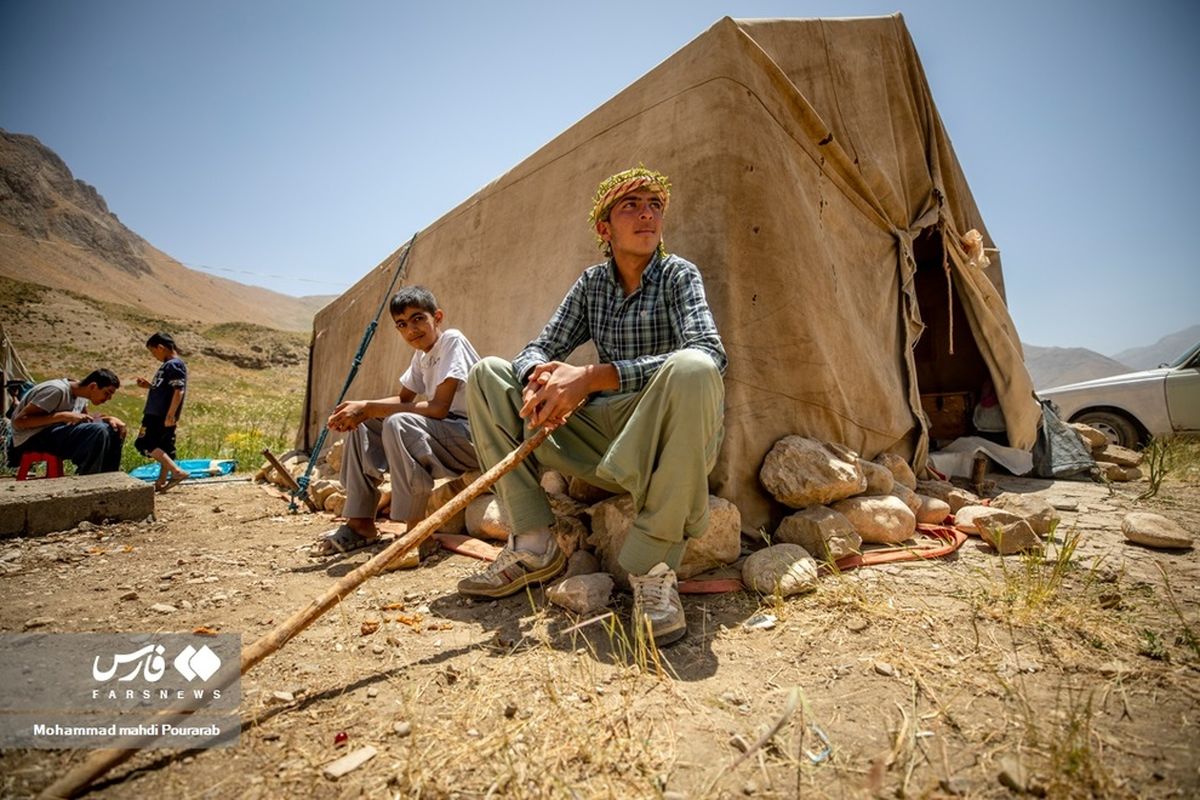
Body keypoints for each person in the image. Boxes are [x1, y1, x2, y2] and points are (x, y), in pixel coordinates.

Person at [458, 166, 727, 647]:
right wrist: (538, 382)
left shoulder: (678, 276)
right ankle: (534, 545)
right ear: (604, 229)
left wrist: (590, 378)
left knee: (694, 368)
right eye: (632, 206)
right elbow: (537, 348)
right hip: (599, 435)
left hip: (658, 437)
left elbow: (710, 352)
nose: (648, 214)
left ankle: (653, 570)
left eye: (655, 206)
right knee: (488, 374)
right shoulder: (592, 285)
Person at [312, 285, 481, 560]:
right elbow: (404, 398)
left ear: (437, 317)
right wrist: (361, 410)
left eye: (418, 319)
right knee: (366, 424)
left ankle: (416, 533)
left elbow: (438, 408)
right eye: (402, 324)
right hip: (446, 434)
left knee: (398, 422)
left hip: (472, 437)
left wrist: (368, 407)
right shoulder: (421, 356)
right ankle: (360, 523)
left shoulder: (451, 340)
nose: (411, 329)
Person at [7, 369, 127, 474]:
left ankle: (108, 479)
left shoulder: (82, 396)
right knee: (98, 431)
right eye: (107, 393)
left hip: (55, 436)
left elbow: (86, 422)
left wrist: (108, 419)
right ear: (93, 386)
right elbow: (19, 421)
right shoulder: (56, 391)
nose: (108, 399)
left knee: (113, 429)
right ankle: (89, 481)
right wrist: (62, 416)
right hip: (29, 440)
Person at [134, 332, 190, 492]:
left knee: (144, 443)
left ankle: (177, 472)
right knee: (163, 447)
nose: (154, 356)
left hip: (158, 414)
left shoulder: (173, 365)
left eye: (153, 352)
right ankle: (161, 481)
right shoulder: (169, 365)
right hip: (162, 413)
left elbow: (178, 390)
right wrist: (149, 386)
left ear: (161, 347)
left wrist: (170, 413)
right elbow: (166, 389)